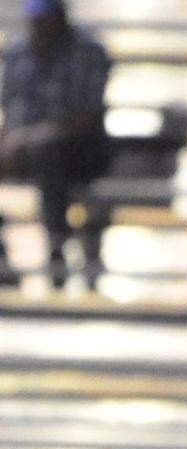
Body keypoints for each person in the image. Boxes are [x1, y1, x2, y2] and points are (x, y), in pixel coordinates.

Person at [0, 0, 110, 289]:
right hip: (23, 147)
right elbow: (10, 110)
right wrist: (12, 140)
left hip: (78, 150)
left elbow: (88, 115)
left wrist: (32, 136)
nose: (39, 28)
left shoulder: (88, 51)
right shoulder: (18, 51)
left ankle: (56, 244)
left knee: (47, 149)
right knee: (37, 149)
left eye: (45, 21)